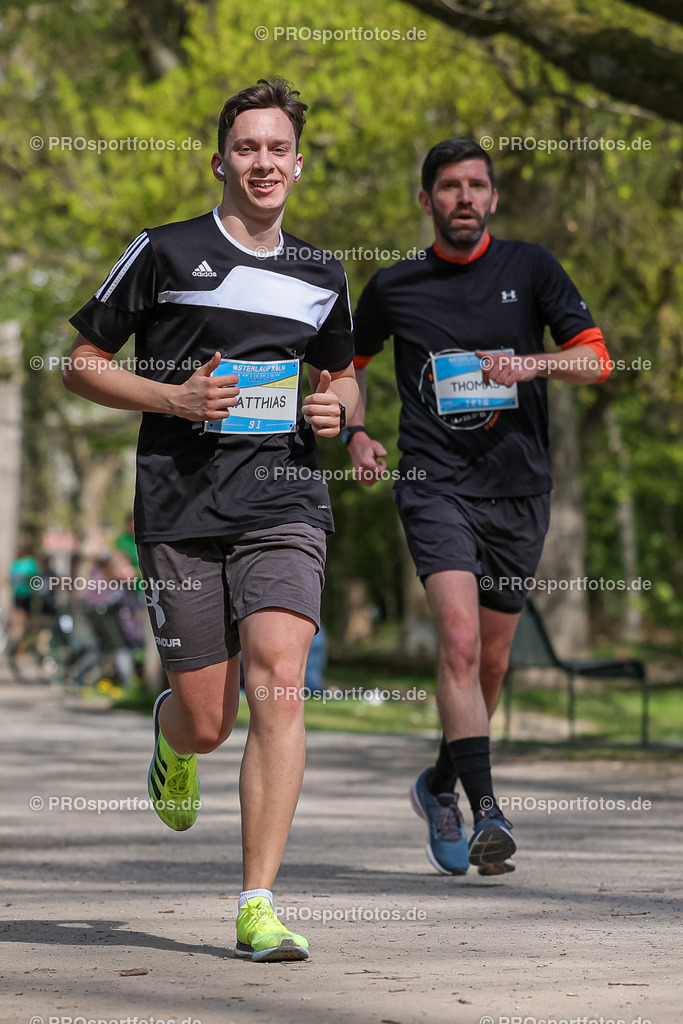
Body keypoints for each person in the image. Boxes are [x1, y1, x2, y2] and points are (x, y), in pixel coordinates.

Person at [64, 78, 358, 961]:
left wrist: (336, 406)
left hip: (284, 503)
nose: (262, 163)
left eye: (277, 150)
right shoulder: (164, 251)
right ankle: (172, 735)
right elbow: (79, 362)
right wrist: (174, 396)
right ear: (221, 159)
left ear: (296, 165)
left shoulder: (320, 272)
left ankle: (257, 903)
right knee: (208, 721)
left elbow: (342, 373)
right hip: (182, 508)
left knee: (280, 678)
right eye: (246, 149)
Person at [345, 138, 611, 877]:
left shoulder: (530, 268)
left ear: (492, 199)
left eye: (476, 186)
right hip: (434, 485)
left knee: (490, 662)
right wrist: (359, 432)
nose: (463, 197)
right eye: (449, 187)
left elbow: (594, 358)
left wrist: (534, 362)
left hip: (518, 491)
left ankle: (438, 784)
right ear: (425, 200)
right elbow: (344, 367)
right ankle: (487, 810)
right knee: (458, 644)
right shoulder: (394, 286)